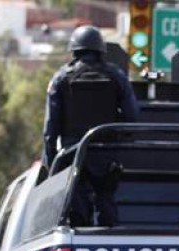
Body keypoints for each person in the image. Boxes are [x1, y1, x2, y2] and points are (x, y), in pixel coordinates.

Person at [42, 25, 139, 226]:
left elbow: (51, 127)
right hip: (105, 153)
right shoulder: (116, 76)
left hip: (72, 154)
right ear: (100, 50)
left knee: (77, 213)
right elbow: (132, 117)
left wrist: (52, 163)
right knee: (106, 205)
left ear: (74, 50)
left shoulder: (61, 78)